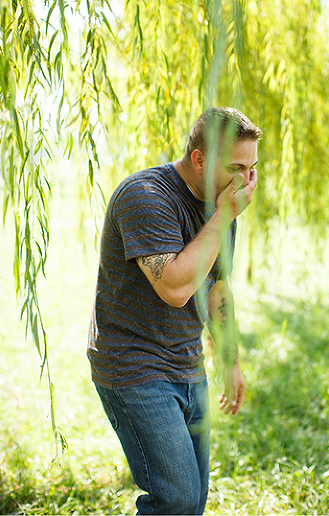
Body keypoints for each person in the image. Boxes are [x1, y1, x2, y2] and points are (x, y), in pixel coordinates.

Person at [87, 107, 261, 515]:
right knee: (176, 498)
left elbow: (217, 288)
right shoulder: (145, 196)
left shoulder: (222, 205)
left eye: (252, 169)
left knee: (193, 498)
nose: (247, 182)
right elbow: (176, 288)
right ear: (199, 160)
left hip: (186, 362)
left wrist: (230, 361)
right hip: (132, 364)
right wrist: (224, 215)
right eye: (236, 168)